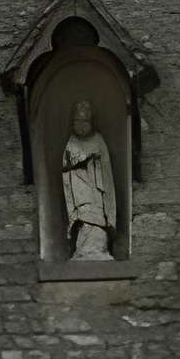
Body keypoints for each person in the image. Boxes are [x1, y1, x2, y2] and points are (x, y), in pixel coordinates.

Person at [61, 100, 116, 259]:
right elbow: (65, 166)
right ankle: (83, 249)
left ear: (92, 122)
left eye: (85, 121)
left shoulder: (98, 139)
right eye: (77, 121)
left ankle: (98, 247)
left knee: (96, 217)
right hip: (80, 189)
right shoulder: (71, 142)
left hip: (96, 188)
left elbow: (106, 167)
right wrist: (79, 160)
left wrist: (94, 159)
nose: (81, 126)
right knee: (84, 216)